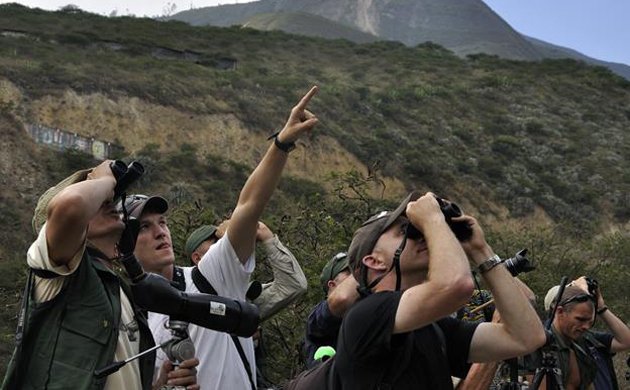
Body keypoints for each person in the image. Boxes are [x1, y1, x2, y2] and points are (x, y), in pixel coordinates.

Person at [127, 86, 319, 390]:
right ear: (121, 246)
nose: (159, 232)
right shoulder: (127, 319)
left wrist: (281, 144)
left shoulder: (208, 279)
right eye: (143, 227)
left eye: (162, 222)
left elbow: (248, 207)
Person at [1, 162, 198, 390]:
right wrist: (106, 180)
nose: (109, 201)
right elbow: (71, 207)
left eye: (110, 198)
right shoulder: (58, 270)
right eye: (99, 198)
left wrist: (160, 386)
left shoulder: (119, 290)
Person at [332, 191, 546, 389]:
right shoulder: (365, 316)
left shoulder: (434, 330)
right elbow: (456, 285)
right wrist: (432, 220)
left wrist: (480, 250)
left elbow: (526, 337)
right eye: (406, 231)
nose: (421, 234)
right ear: (374, 261)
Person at [186, 220, 308, 321]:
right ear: (197, 258)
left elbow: (293, 285)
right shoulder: (190, 305)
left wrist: (266, 237)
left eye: (223, 242)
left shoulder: (243, 300)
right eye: (216, 243)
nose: (222, 246)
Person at [540, 277, 630, 390]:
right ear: (559, 311)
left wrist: (601, 308)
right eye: (580, 319)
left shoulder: (585, 342)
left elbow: (626, 341)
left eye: (590, 322)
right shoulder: (541, 345)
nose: (586, 327)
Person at [303, 252, 354, 368]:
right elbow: (342, 297)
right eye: (349, 272)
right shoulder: (317, 317)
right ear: (332, 285)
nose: (356, 276)